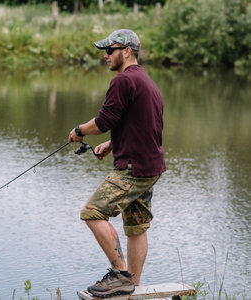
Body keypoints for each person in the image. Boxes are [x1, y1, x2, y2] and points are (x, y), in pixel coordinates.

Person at [68, 29, 166, 298]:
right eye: (104, 51)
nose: (105, 56)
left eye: (109, 50)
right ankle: (131, 285)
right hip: (150, 167)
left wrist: (80, 130)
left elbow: (103, 121)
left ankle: (121, 276)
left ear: (127, 51)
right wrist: (113, 144)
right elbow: (142, 123)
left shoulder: (123, 81)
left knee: (92, 212)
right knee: (136, 227)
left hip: (133, 169)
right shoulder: (146, 81)